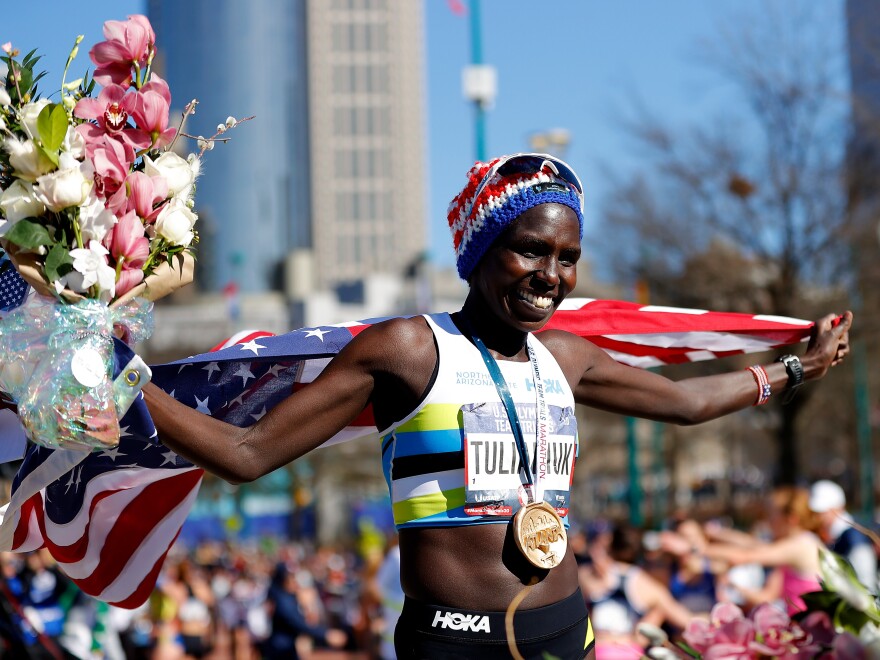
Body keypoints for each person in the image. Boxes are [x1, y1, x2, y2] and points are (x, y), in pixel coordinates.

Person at [142, 153, 852, 659]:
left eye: (567, 257)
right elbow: (245, 455)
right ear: (480, 252)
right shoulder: (407, 351)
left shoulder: (564, 356)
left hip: (566, 629)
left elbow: (686, 403)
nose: (552, 276)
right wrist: (123, 382)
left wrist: (797, 369)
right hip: (452, 641)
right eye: (530, 251)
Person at [665, 487, 825, 616]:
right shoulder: (798, 542)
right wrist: (719, 533)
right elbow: (752, 544)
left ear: (791, 519)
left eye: (771, 515)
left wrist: (692, 548)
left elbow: (744, 555)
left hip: (811, 626)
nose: (767, 521)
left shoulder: (801, 545)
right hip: (803, 623)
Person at [579, 524, 695, 659]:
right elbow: (685, 620)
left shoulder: (586, 574)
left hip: (593, 652)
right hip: (628, 652)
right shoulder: (646, 584)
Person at [809, 479, 878, 591]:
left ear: (839, 508)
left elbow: (866, 585)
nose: (817, 517)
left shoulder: (853, 537)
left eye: (822, 512)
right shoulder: (831, 535)